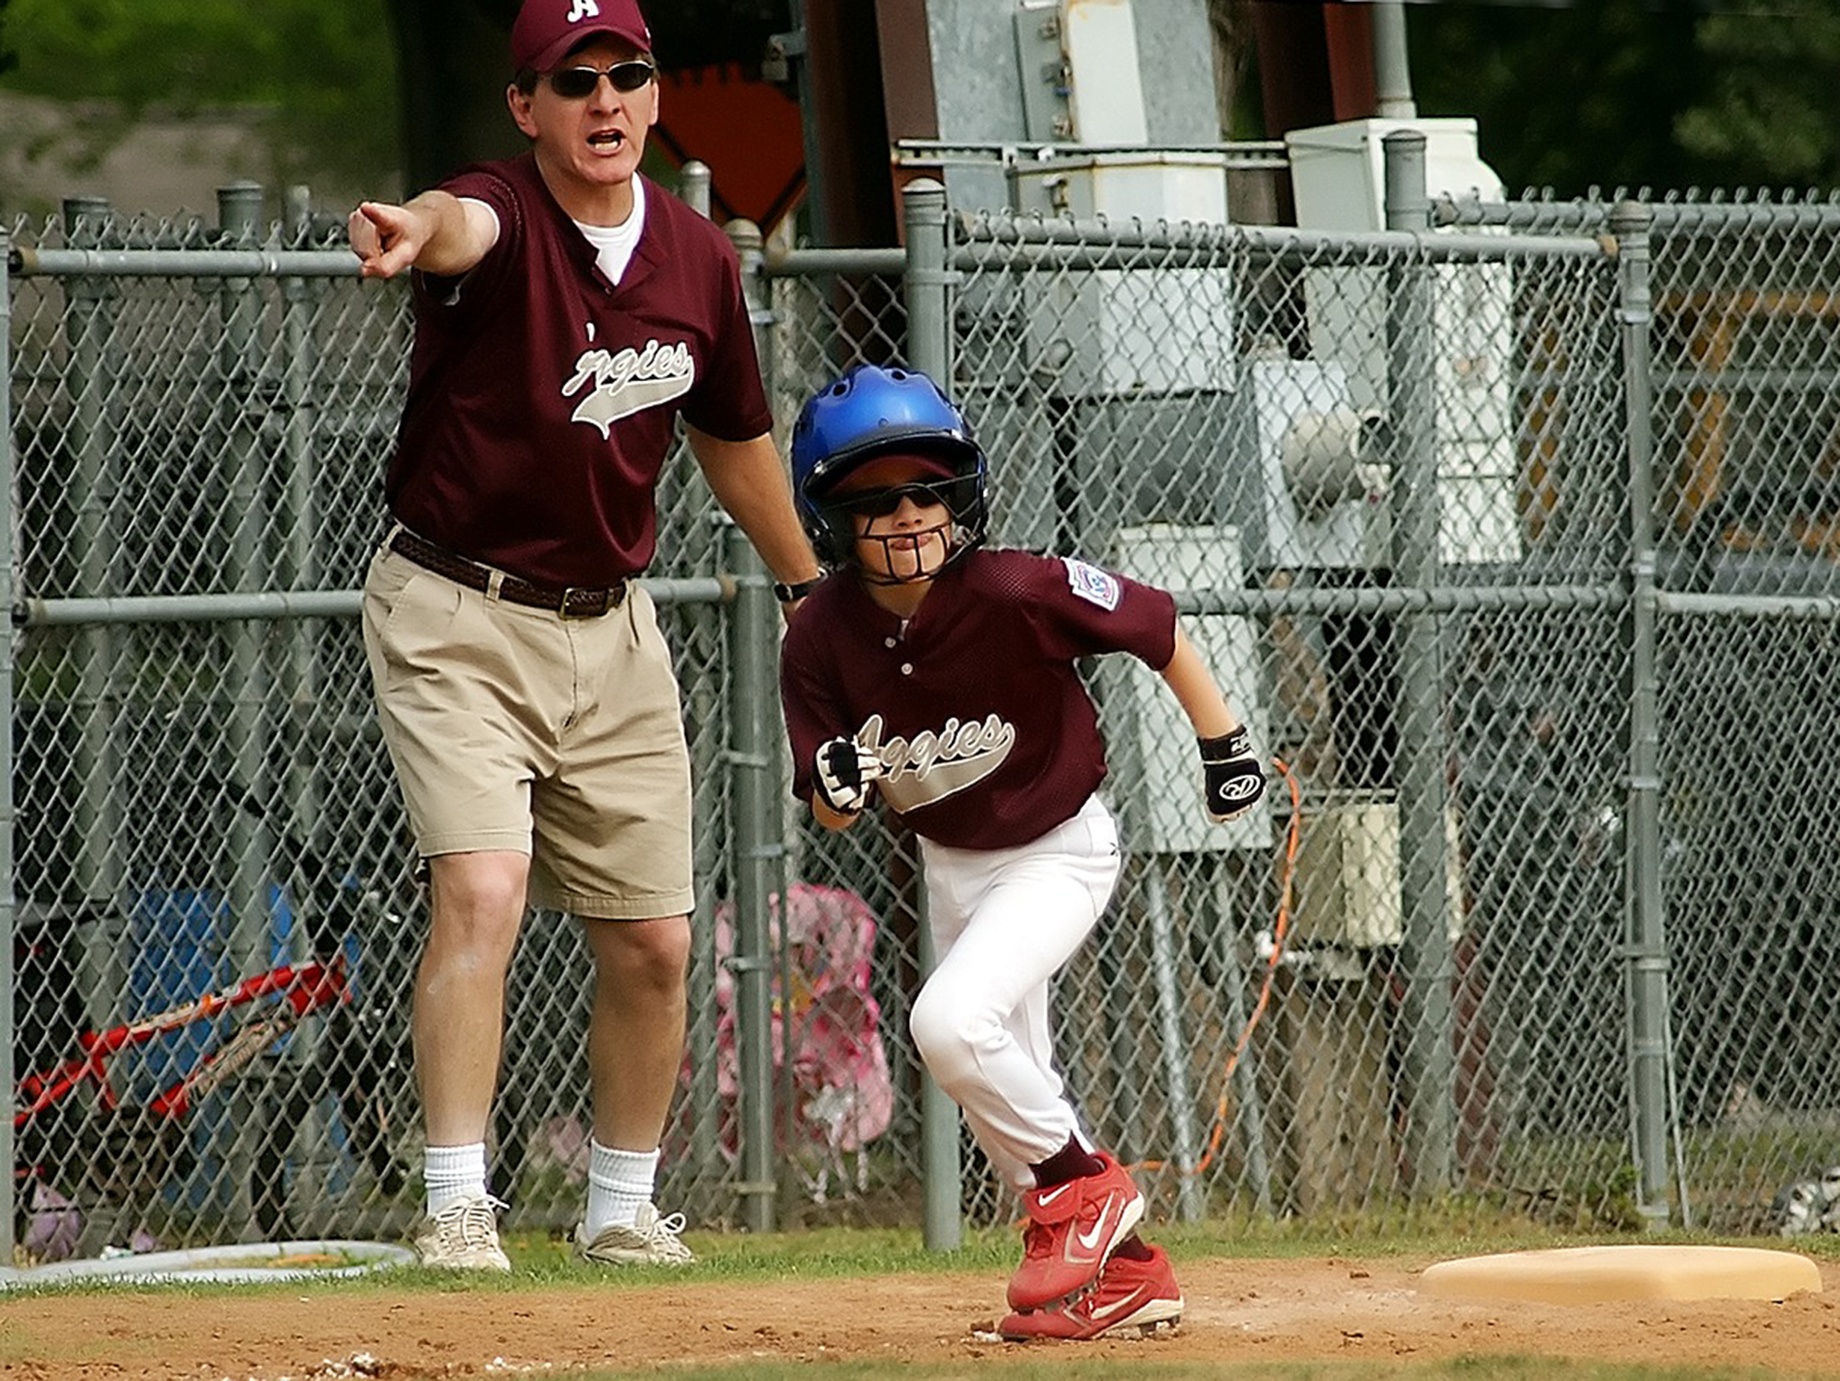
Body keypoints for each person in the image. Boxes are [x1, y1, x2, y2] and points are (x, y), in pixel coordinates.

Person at [346, 0, 822, 1272]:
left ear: (656, 96)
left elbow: (732, 439)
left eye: (626, 75)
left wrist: (804, 590)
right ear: (526, 107)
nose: (603, 102)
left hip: (610, 629)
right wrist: (411, 227)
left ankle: (618, 1205)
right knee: (484, 888)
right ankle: (458, 1201)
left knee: (657, 942)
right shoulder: (497, 213)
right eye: (572, 82)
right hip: (457, 609)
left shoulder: (698, 258)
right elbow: (459, 224)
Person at [778, 363, 1267, 1340]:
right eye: (875, 501)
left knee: (950, 1025)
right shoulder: (820, 636)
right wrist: (837, 787)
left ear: (963, 498)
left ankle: (1092, 1191)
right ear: (832, 521)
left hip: (1060, 847)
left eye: (928, 490)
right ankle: (1131, 1278)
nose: (910, 513)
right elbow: (831, 812)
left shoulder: (1011, 585)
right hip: (953, 864)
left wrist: (1225, 746)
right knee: (1009, 1099)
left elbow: (1156, 625)